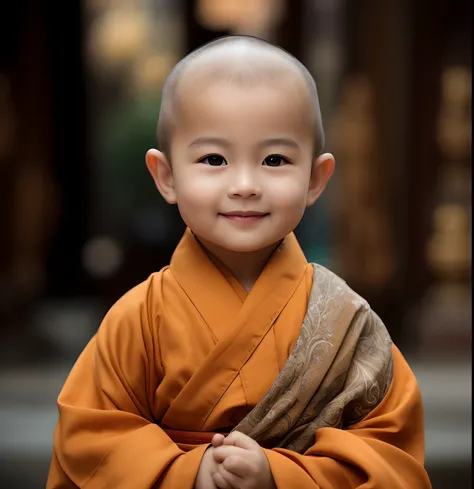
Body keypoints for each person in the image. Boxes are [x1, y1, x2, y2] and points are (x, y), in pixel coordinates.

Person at [46, 35, 432, 489]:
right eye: (214, 159)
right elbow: (90, 438)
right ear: (165, 177)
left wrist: (282, 475)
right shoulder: (139, 317)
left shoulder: (347, 323)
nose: (245, 184)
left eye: (274, 159)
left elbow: (390, 451)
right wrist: (187, 472)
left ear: (316, 178)